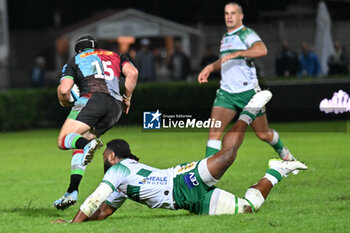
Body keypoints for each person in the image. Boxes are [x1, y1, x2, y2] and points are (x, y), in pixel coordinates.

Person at [54, 90, 307, 223]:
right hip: (189, 203)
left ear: (110, 155)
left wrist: (72, 225)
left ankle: (250, 110)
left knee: (228, 154)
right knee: (248, 209)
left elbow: (94, 199)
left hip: (184, 180)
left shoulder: (118, 170)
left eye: (105, 156)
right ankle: (276, 171)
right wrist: (77, 221)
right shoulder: (122, 183)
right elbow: (103, 211)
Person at [197, 2, 296, 161]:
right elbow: (225, 60)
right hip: (226, 93)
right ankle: (206, 179)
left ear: (241, 16)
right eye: (226, 13)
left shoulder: (246, 33)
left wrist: (239, 53)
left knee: (263, 134)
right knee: (214, 133)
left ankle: (284, 153)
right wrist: (210, 67)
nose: (229, 16)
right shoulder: (226, 37)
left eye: (233, 13)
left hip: (248, 93)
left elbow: (262, 50)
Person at [54, 35, 138, 210]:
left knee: (63, 140)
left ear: (78, 50)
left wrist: (65, 100)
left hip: (92, 99)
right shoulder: (116, 56)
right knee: (79, 142)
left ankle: (87, 146)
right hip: (115, 108)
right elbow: (133, 73)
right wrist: (127, 98)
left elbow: (64, 89)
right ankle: (72, 190)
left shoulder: (75, 60)